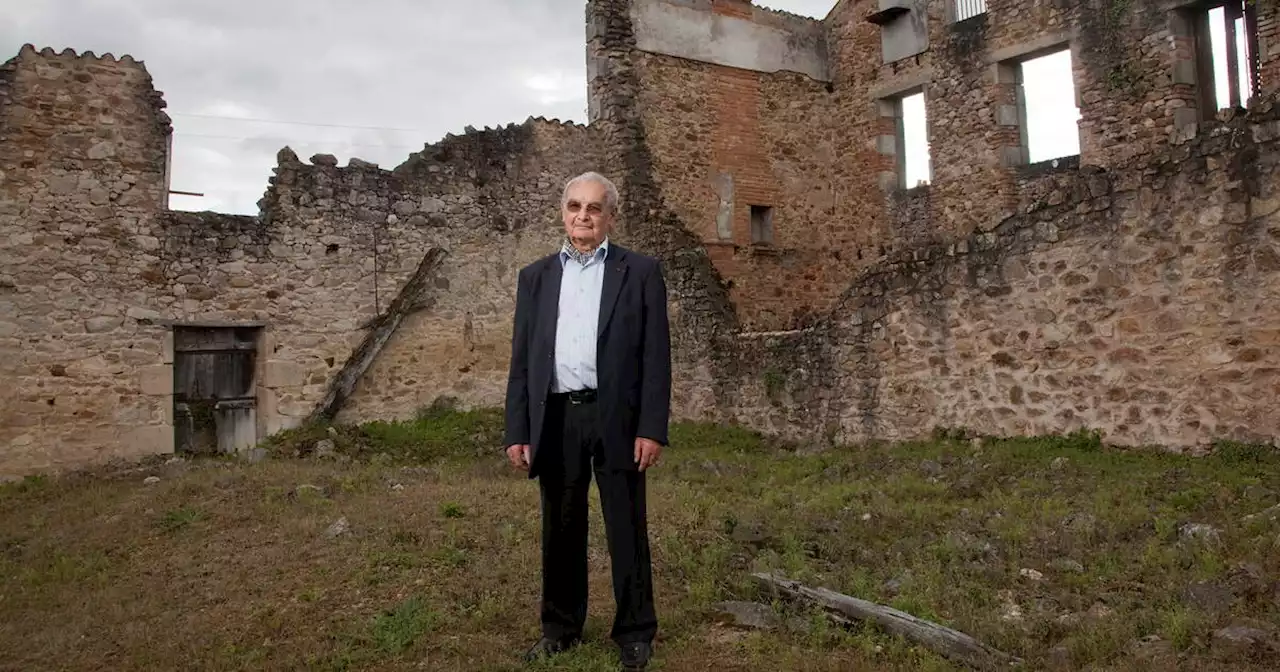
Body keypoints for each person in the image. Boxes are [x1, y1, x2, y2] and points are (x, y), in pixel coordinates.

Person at [503, 171, 671, 671]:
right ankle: (559, 629)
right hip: (555, 416)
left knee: (626, 526)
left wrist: (651, 426)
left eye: (594, 208)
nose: (583, 216)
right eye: (575, 206)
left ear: (610, 217)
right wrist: (518, 429)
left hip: (616, 416)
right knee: (560, 528)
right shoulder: (535, 277)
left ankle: (636, 633)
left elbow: (656, 358)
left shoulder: (639, 272)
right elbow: (522, 359)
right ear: (562, 212)